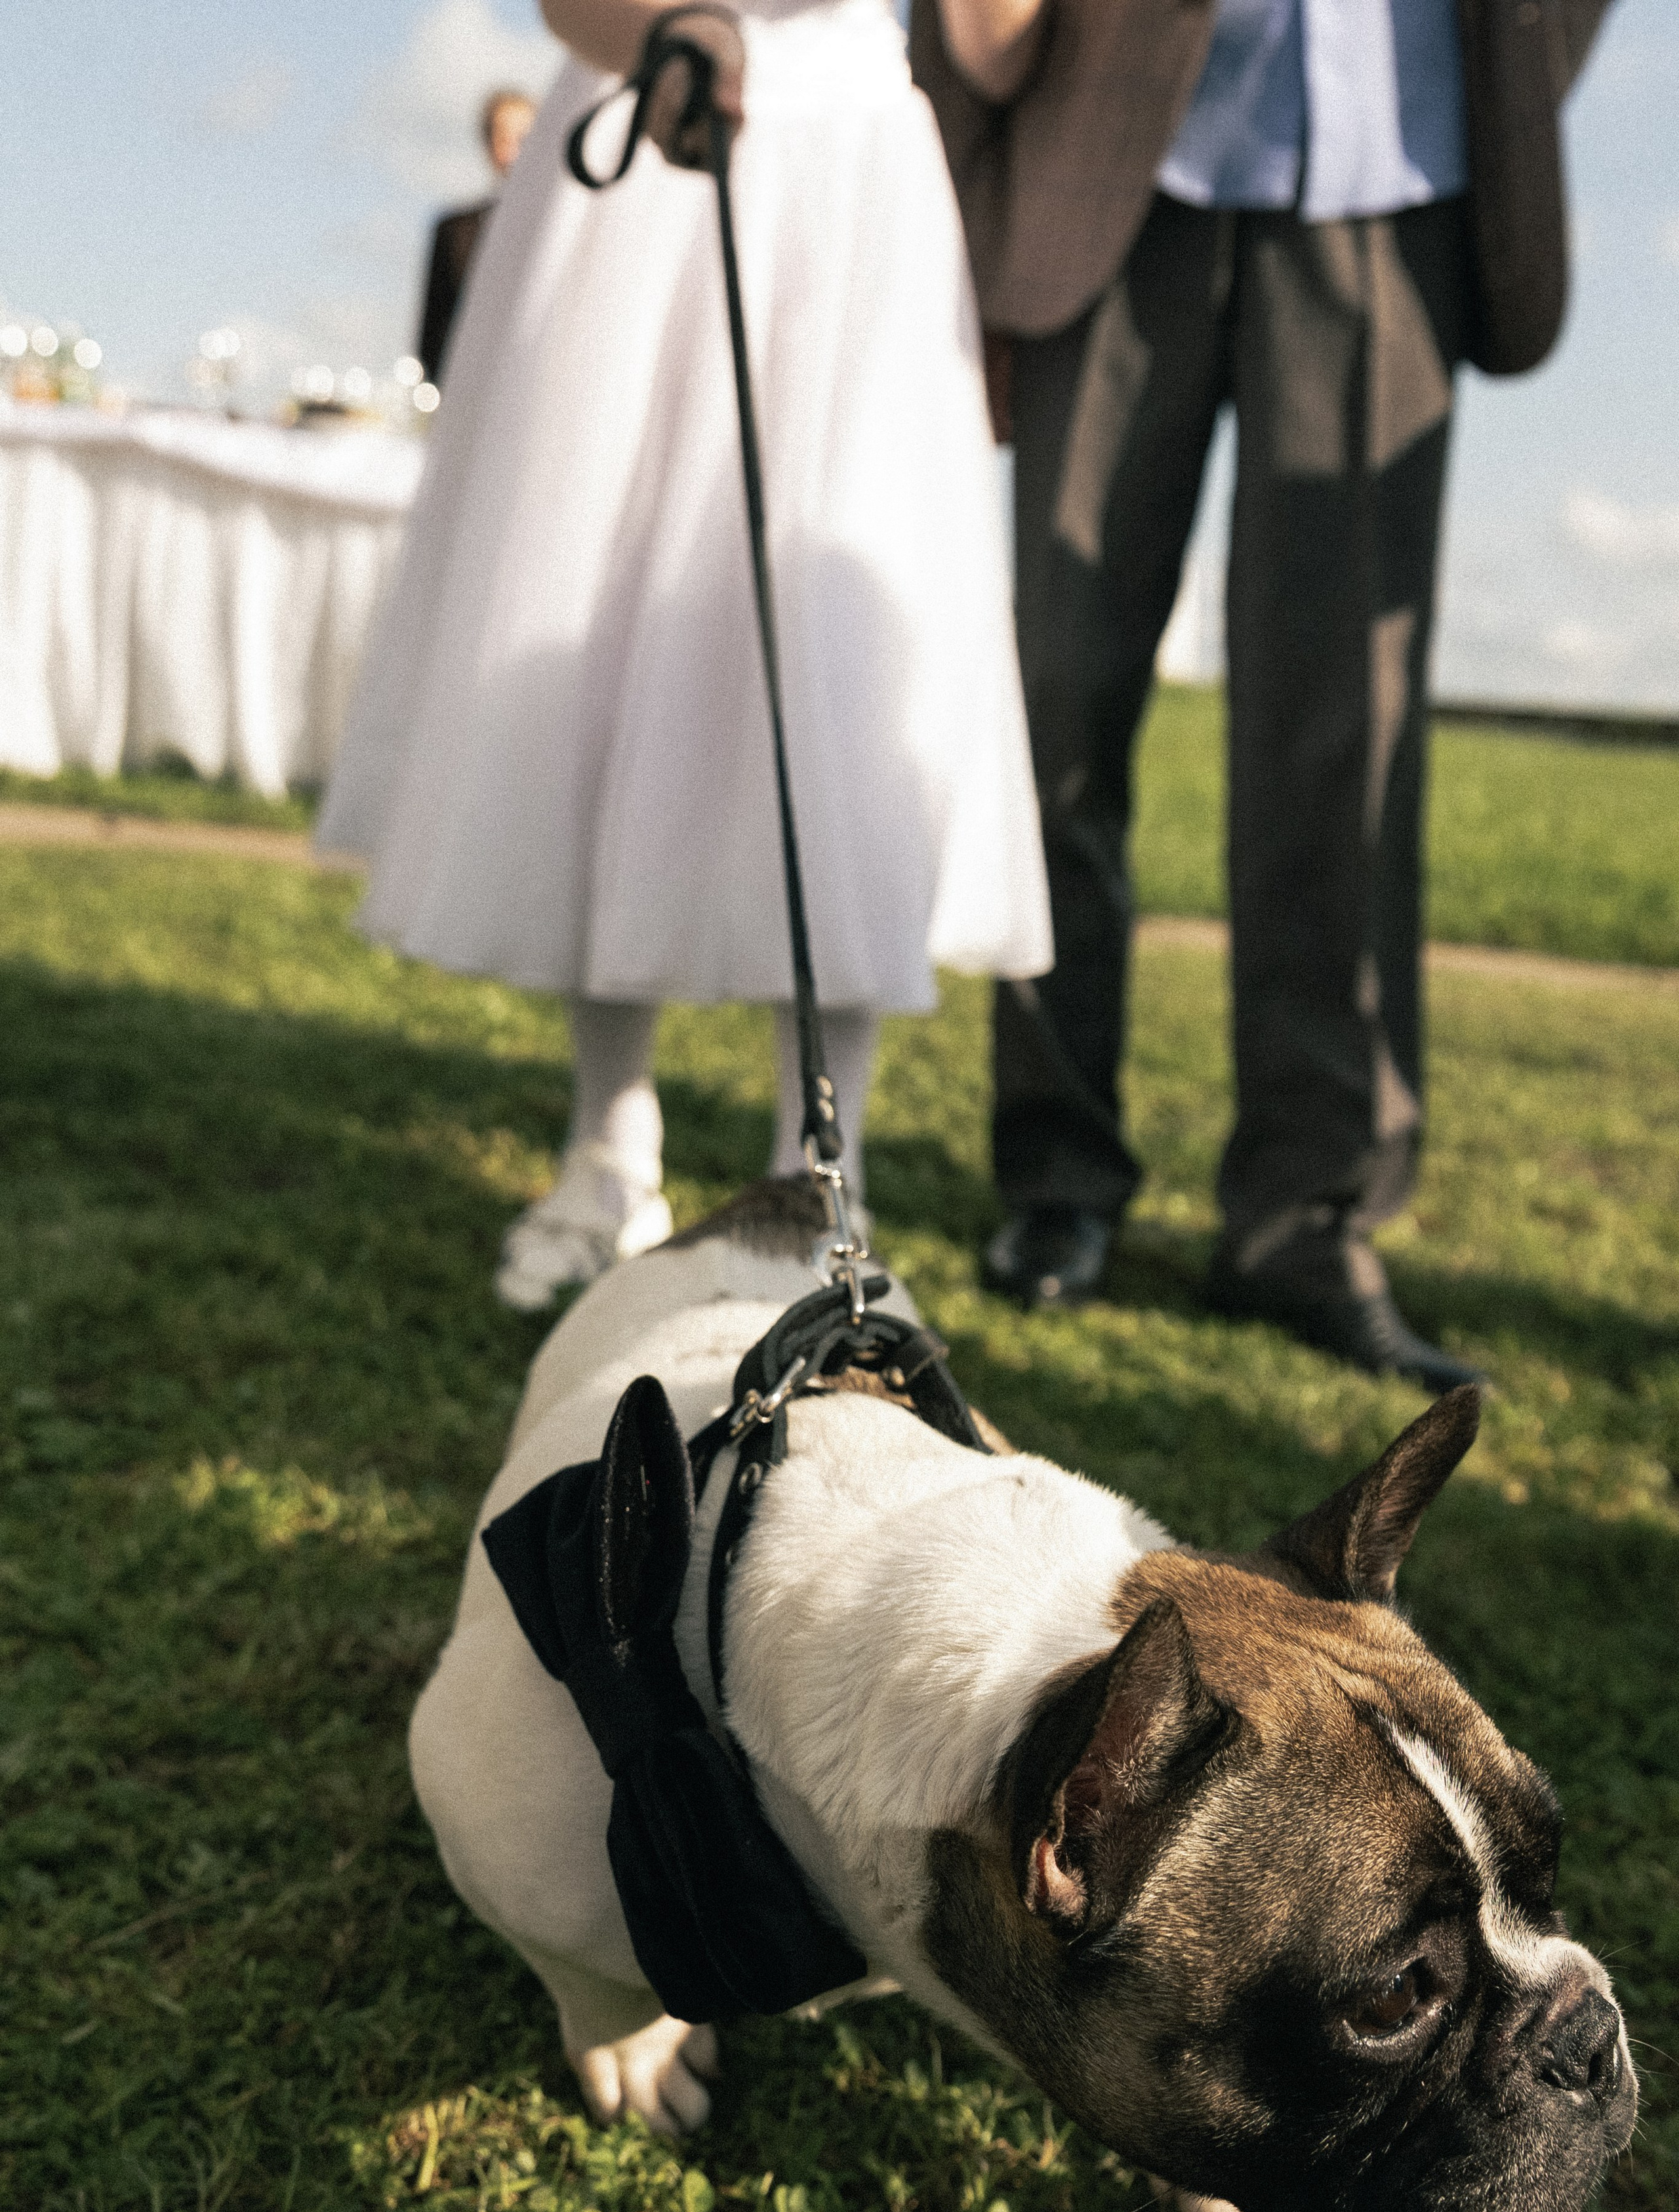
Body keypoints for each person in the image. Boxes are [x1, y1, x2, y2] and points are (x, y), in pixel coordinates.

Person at [914, 0, 1613, 1388]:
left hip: (1395, 180)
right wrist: (958, 215)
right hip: (1111, 178)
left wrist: (1502, 78)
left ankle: (1306, 1219)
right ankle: (1056, 1174)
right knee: (1061, 696)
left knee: (1343, 741)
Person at [318, 0, 1049, 1307]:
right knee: (588, 615)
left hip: (853, 174)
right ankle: (608, 1148)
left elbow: (996, 41)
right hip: (651, 141)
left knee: (838, 649)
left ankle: (822, 1179)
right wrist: (671, 28)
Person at [416, 88, 538, 384]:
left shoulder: (555, 233)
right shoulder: (454, 231)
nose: (512, 153)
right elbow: (432, 340)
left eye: (523, 139)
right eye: (502, 139)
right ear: (487, 144)